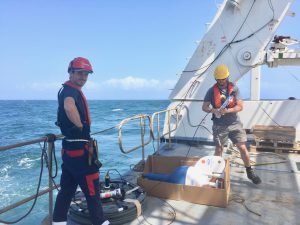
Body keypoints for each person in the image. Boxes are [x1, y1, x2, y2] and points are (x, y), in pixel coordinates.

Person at [53, 57, 109, 225]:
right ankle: (100, 222)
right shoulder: (71, 92)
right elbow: (69, 107)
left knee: (67, 189)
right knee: (92, 189)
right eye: (79, 73)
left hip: (69, 150)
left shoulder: (65, 90)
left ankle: (58, 221)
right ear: (70, 73)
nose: (83, 77)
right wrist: (81, 125)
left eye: (86, 74)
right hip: (79, 151)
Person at [202, 64, 261, 184]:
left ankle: (250, 171)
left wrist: (227, 110)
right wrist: (214, 110)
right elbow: (204, 107)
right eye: (218, 79)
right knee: (219, 149)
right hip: (219, 125)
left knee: (242, 148)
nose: (221, 81)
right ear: (215, 78)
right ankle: (215, 174)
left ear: (227, 77)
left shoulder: (234, 89)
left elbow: (240, 106)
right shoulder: (211, 91)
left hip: (235, 123)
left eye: (223, 78)